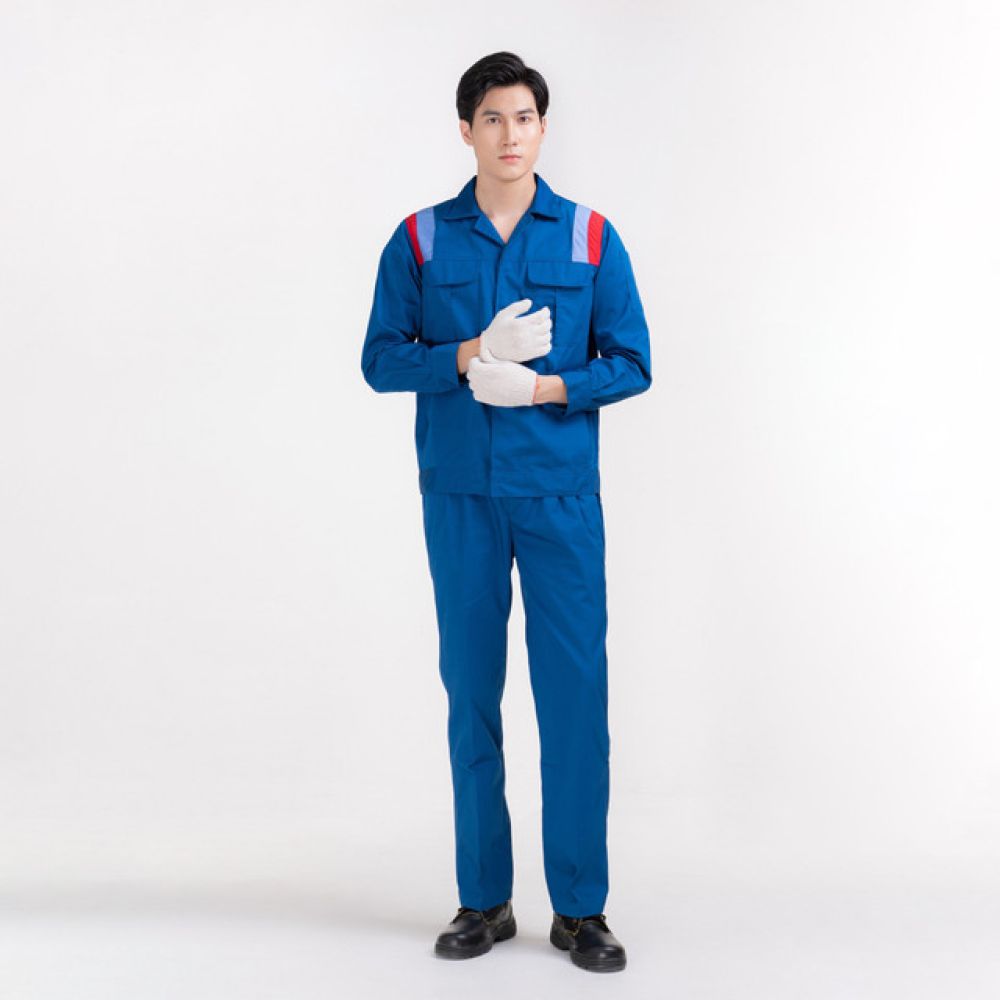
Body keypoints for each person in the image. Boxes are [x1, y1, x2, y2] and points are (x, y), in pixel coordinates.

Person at [360, 50, 652, 974]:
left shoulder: (591, 237)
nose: (510, 134)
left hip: (559, 498)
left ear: (543, 128)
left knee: (575, 700)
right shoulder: (420, 240)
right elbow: (380, 359)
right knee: (471, 697)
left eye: (524, 117)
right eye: (492, 118)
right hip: (460, 497)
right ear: (466, 130)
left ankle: (580, 909)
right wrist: (467, 352)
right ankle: (482, 899)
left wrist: (545, 388)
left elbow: (633, 362)